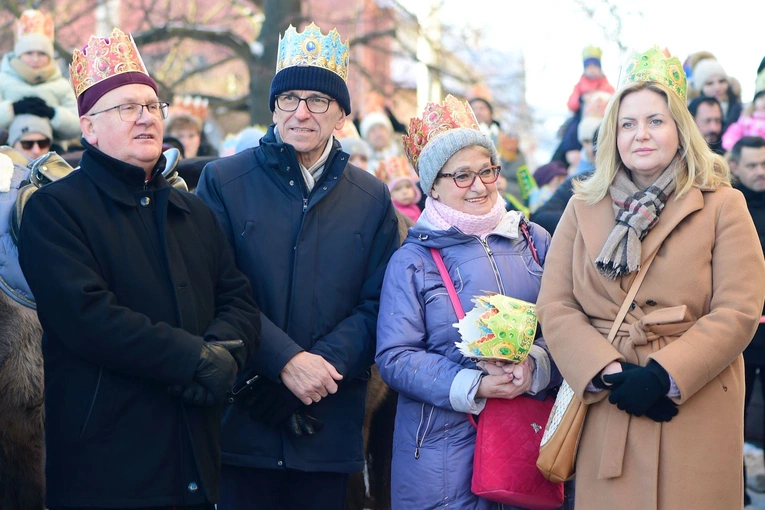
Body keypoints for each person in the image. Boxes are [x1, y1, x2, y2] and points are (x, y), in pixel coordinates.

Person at [17, 27, 261, 509]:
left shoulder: (192, 212)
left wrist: (223, 357)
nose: (146, 118)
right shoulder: (56, 210)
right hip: (108, 465)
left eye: (152, 107)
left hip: (196, 452)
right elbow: (88, 319)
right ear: (89, 128)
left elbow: (239, 300)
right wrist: (196, 360)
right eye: (127, 107)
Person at [536, 46, 765, 509]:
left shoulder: (723, 203)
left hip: (696, 399)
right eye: (628, 123)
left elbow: (739, 309)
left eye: (655, 121)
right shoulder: (582, 208)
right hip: (611, 401)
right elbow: (555, 305)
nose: (641, 134)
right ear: (612, 134)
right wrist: (608, 371)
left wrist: (666, 375)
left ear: (680, 129)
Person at [195, 22, 399, 510]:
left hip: (327, 425)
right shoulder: (223, 181)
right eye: (288, 98)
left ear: (342, 115)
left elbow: (378, 304)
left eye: (317, 100)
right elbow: (210, 288)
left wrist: (317, 369)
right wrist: (284, 362)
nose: (301, 112)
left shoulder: (372, 198)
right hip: (244, 414)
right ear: (273, 108)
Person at [375, 94, 559, 509]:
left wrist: (536, 368)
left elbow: (570, 326)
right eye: (461, 176)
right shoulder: (413, 260)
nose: (478, 186)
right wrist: (472, 384)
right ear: (433, 185)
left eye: (487, 171)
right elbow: (395, 355)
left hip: (527, 437)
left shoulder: (536, 242)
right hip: (440, 452)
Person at [728, 136, 765, 499]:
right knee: (731, 418)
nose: (761, 172)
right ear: (735, 166)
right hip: (739, 336)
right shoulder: (727, 208)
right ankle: (734, 488)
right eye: (753, 165)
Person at [0, 9, 80, 143]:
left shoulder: (62, 85)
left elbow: (78, 125)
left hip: (55, 151)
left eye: (41, 54)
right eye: (29, 53)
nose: (35, 59)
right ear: (19, 55)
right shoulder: (2, 81)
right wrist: (13, 109)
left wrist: (52, 113)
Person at [692, 58, 742, 134]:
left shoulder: (742, 111)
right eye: (709, 83)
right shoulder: (690, 112)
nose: (717, 88)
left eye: (721, 81)